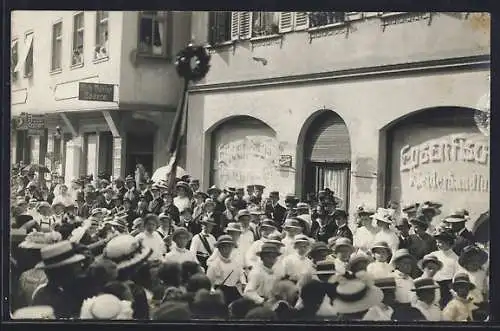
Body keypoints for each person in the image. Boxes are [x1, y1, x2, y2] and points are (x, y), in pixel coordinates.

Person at [32, 241, 90, 318]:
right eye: (75, 265)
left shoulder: (40, 294)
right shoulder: (45, 297)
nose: (80, 267)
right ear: (64, 271)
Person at [206, 235, 243, 305]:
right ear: (219, 248)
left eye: (229, 246)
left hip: (234, 292)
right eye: (224, 246)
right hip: (220, 294)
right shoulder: (214, 264)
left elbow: (240, 280)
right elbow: (209, 284)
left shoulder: (236, 263)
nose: (227, 249)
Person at [430, 229, 458, 308]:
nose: (438, 244)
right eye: (437, 242)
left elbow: (456, 276)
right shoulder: (434, 255)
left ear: (448, 243)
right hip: (434, 285)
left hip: (447, 288)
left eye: (440, 242)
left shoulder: (455, 258)